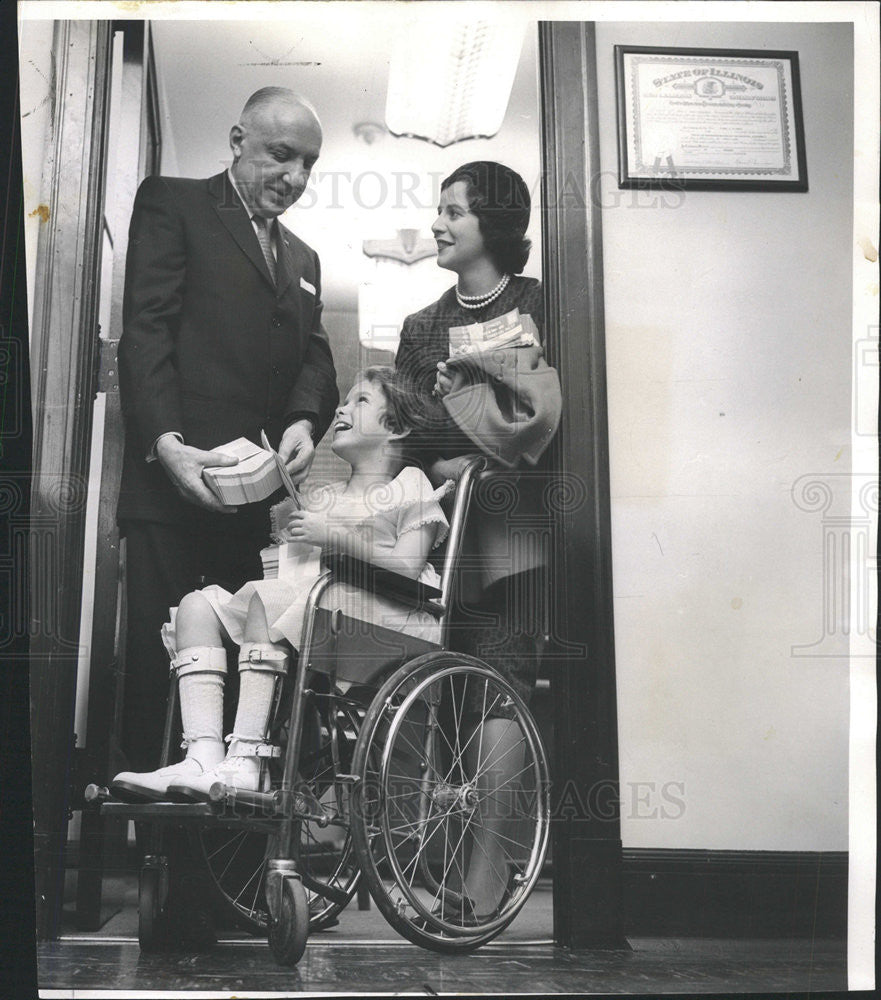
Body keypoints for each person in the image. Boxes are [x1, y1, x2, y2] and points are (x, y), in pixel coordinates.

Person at [116, 87, 339, 778]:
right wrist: (166, 443)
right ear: (238, 139)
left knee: (246, 676)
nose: (295, 178)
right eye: (280, 155)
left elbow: (315, 356)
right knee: (167, 669)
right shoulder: (174, 202)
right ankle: (151, 844)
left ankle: (216, 876)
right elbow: (145, 327)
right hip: (172, 489)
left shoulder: (304, 260)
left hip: (251, 507)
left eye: (307, 163)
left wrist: (305, 418)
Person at [112, 367, 451, 801]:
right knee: (197, 606)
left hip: (388, 623)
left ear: (397, 427)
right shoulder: (322, 496)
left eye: (360, 401)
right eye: (344, 400)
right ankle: (203, 753)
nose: (342, 408)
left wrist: (334, 537)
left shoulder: (409, 483)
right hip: (321, 609)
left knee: (266, 601)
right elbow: (296, 572)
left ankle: (247, 758)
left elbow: (407, 564)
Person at [395, 161, 561, 920]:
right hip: (442, 542)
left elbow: (552, 416)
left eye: (452, 211)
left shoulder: (541, 303)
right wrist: (464, 442)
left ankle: (487, 874)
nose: (437, 222)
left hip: (519, 540)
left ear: (491, 224)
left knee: (503, 687)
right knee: (446, 697)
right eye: (438, 208)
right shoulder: (420, 328)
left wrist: (470, 440)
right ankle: (437, 857)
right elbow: (407, 434)